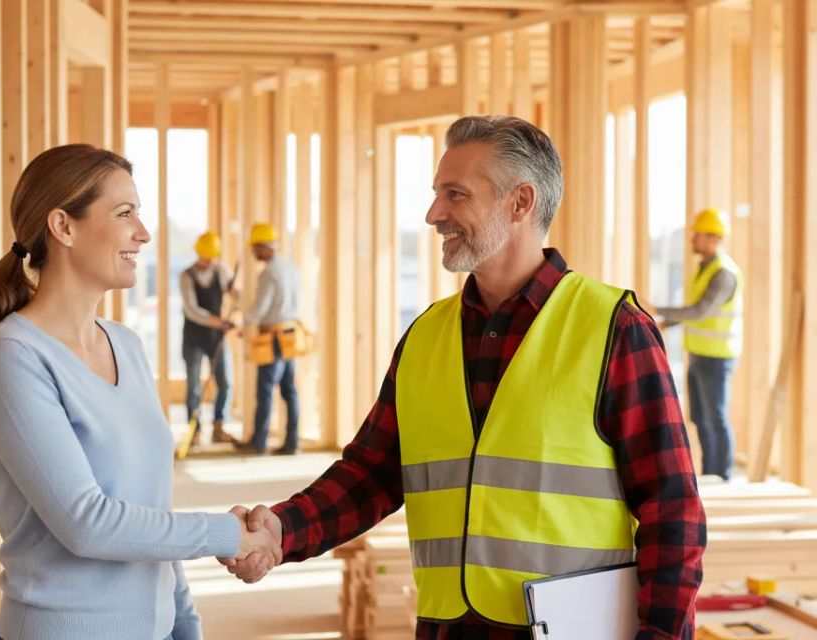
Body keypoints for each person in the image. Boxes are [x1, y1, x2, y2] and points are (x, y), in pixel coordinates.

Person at [225, 116, 707, 639]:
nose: (434, 214)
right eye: (437, 194)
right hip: (448, 628)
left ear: (520, 203)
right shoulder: (427, 335)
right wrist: (281, 530)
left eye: (455, 195)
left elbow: (672, 511)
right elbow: (371, 473)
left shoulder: (614, 328)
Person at [0, 144, 279, 640]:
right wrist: (227, 534)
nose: (144, 232)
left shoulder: (128, 347)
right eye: (124, 213)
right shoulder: (12, 357)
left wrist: (184, 626)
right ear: (63, 227)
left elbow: (149, 513)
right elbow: (86, 523)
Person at [654, 208, 743, 481]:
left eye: (698, 234)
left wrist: (659, 310)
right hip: (699, 354)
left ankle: (722, 476)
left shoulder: (723, 274)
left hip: (717, 357)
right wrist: (665, 323)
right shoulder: (705, 269)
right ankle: (710, 475)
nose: (693, 238)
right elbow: (696, 313)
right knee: (701, 419)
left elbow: (700, 311)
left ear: (714, 238)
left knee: (715, 418)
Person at [235, 222, 302, 455]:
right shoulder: (290, 267)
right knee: (289, 390)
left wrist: (242, 323)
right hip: (291, 334)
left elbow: (261, 308)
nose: (253, 252)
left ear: (263, 246)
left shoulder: (269, 273)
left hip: (273, 336)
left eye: (255, 247)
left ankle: (259, 443)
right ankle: (293, 442)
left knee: (264, 390)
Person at [180, 231, 236, 446]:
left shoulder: (221, 271)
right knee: (194, 385)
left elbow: (236, 297)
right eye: (206, 256)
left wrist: (236, 294)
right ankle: (194, 429)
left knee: (225, 382)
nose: (209, 260)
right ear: (199, 254)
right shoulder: (187, 276)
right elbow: (192, 309)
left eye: (212, 256)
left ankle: (219, 425)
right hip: (193, 337)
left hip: (216, 338)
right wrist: (218, 322)